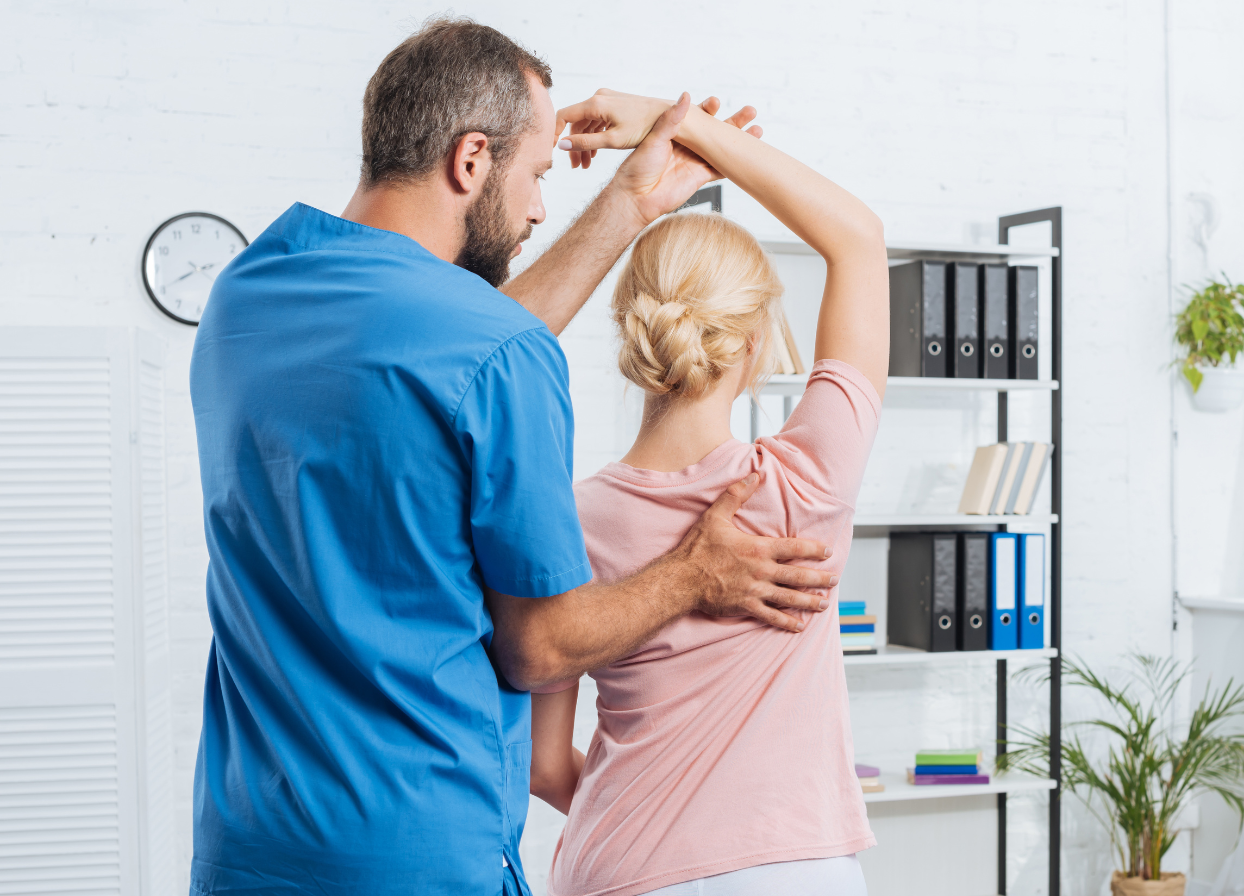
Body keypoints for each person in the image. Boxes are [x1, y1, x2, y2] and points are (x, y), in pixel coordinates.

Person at [187, 19, 840, 896]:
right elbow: (540, 649)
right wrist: (696, 571)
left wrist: (628, 206)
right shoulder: (496, 354)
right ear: (470, 160)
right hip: (415, 856)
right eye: (535, 176)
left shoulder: (246, 296)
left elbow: (447, 354)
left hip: (248, 846)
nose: (538, 208)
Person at [522, 92, 890, 896]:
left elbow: (544, 766)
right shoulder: (805, 483)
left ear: (629, 327)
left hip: (618, 865)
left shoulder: (564, 518)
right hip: (797, 870)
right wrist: (678, 121)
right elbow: (857, 240)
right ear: (754, 345)